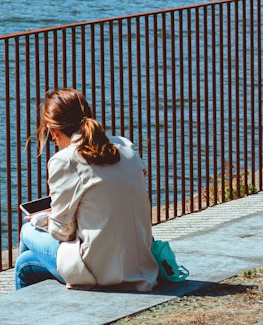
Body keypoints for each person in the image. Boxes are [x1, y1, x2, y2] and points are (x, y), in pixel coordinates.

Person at [14, 87, 158, 291]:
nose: (52, 139)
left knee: (27, 230)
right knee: (26, 263)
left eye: (49, 132)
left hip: (99, 271)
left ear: (54, 131)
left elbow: (62, 232)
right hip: (141, 265)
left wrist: (43, 219)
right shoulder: (125, 147)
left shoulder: (65, 160)